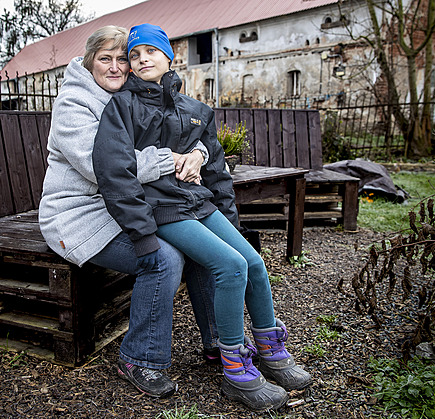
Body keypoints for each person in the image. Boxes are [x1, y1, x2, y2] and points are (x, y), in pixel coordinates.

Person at [92, 23, 312, 412]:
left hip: (199, 204)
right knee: (229, 267)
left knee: (253, 263)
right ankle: (234, 367)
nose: (143, 59)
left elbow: (216, 174)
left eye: (151, 52)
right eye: (136, 54)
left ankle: (269, 348)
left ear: (169, 56)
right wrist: (142, 234)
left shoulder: (195, 110)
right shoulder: (121, 107)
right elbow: (114, 173)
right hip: (162, 209)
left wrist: (233, 224)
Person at [39, 25, 220, 399]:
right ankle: (139, 359)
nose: (117, 66)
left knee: (201, 246)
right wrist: (171, 161)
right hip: (78, 217)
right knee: (163, 258)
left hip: (127, 207)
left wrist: (197, 155)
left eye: (123, 58)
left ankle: (221, 344)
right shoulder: (74, 103)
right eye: (106, 58)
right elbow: (102, 166)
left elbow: (185, 133)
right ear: (89, 61)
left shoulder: (131, 98)